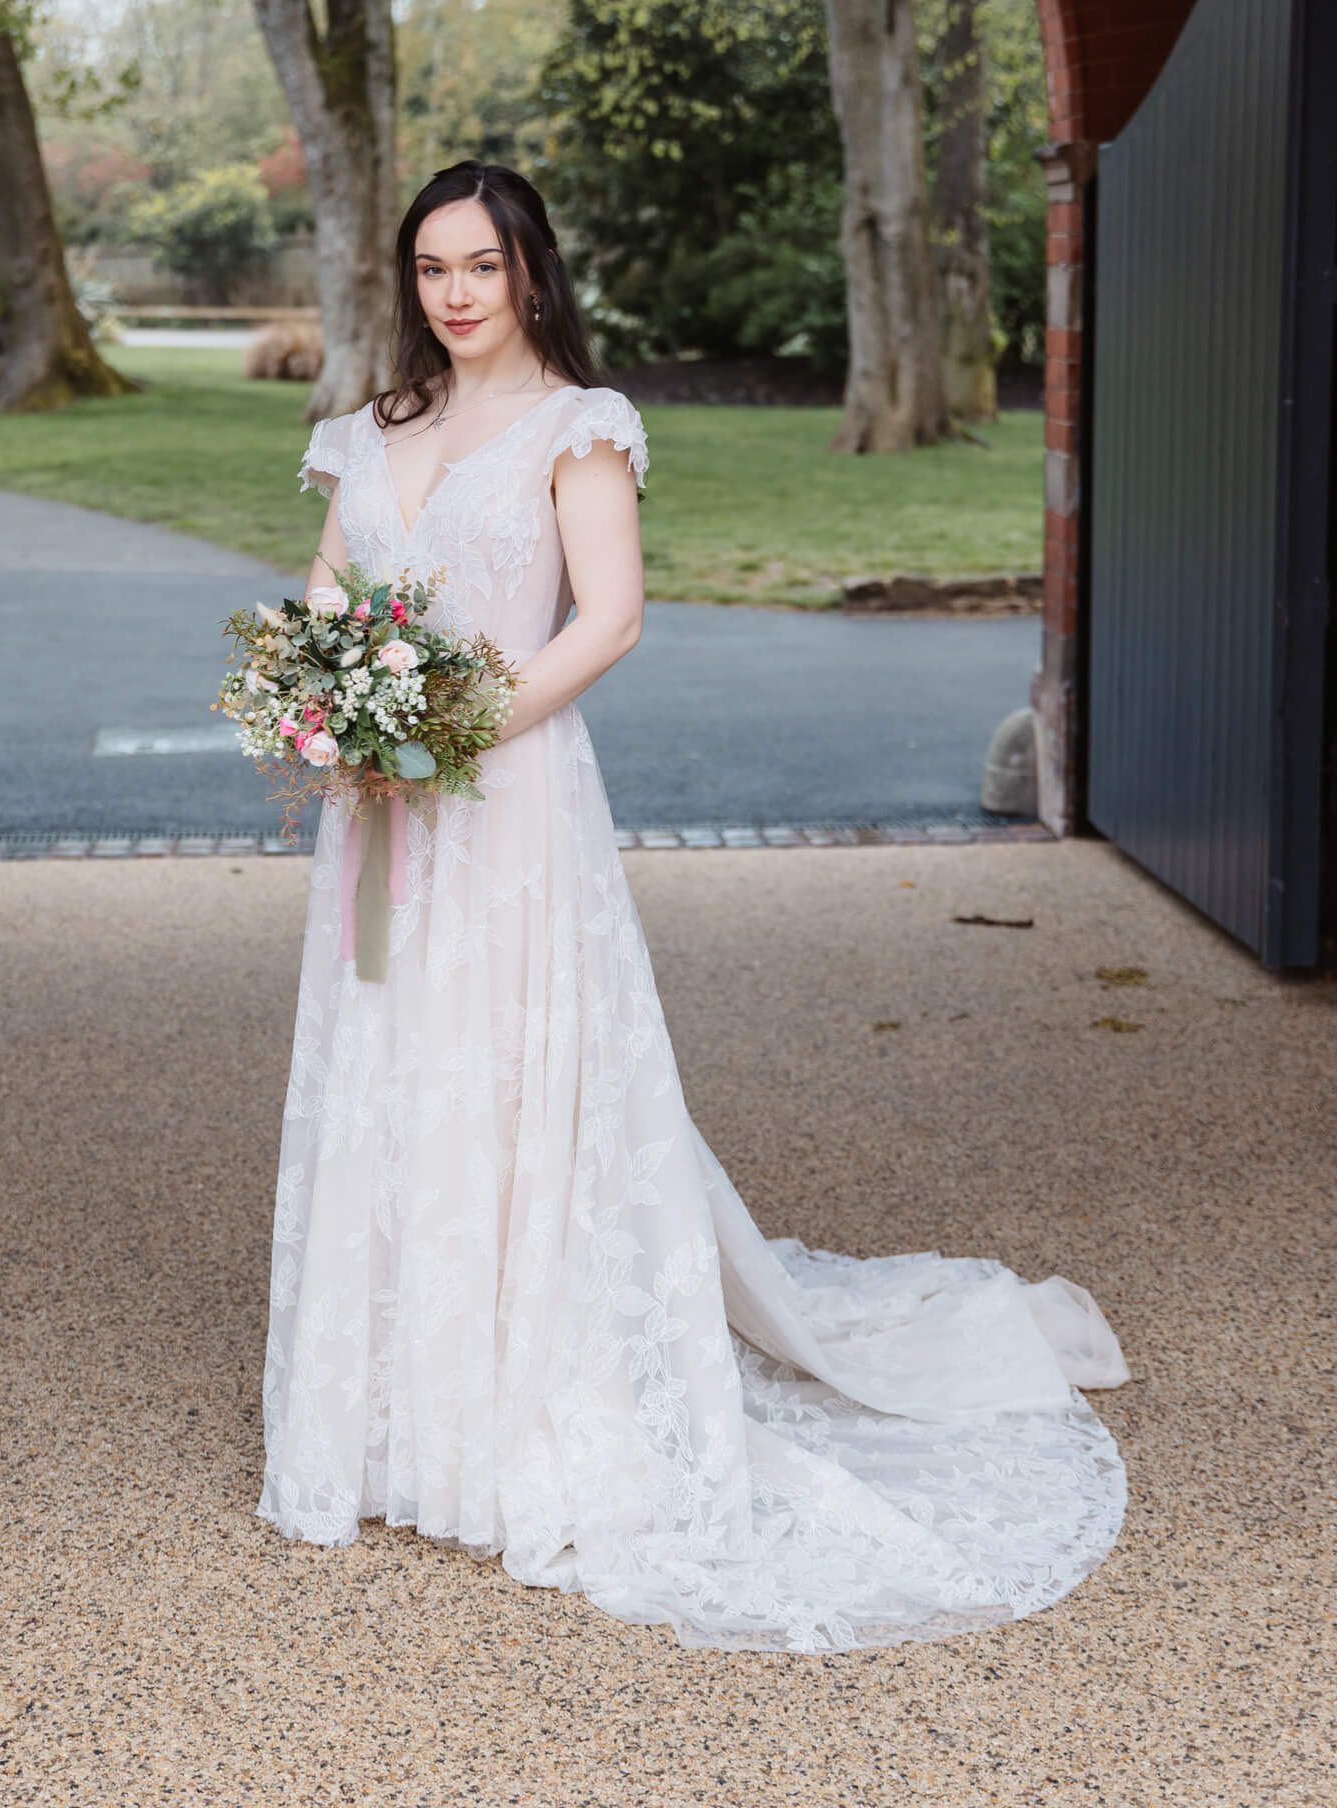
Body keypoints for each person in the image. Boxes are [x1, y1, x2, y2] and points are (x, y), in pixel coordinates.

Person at [258, 158, 1129, 1654]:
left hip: (509, 794)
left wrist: (447, 731)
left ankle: (524, 1410)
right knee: (396, 1072)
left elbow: (612, 619)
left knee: (520, 1071)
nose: (456, 294)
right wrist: (324, 708)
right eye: (431, 270)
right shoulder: (373, 428)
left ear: (531, 270)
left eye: (482, 265)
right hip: (383, 815)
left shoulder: (579, 428)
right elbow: (329, 594)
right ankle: (399, 1415)